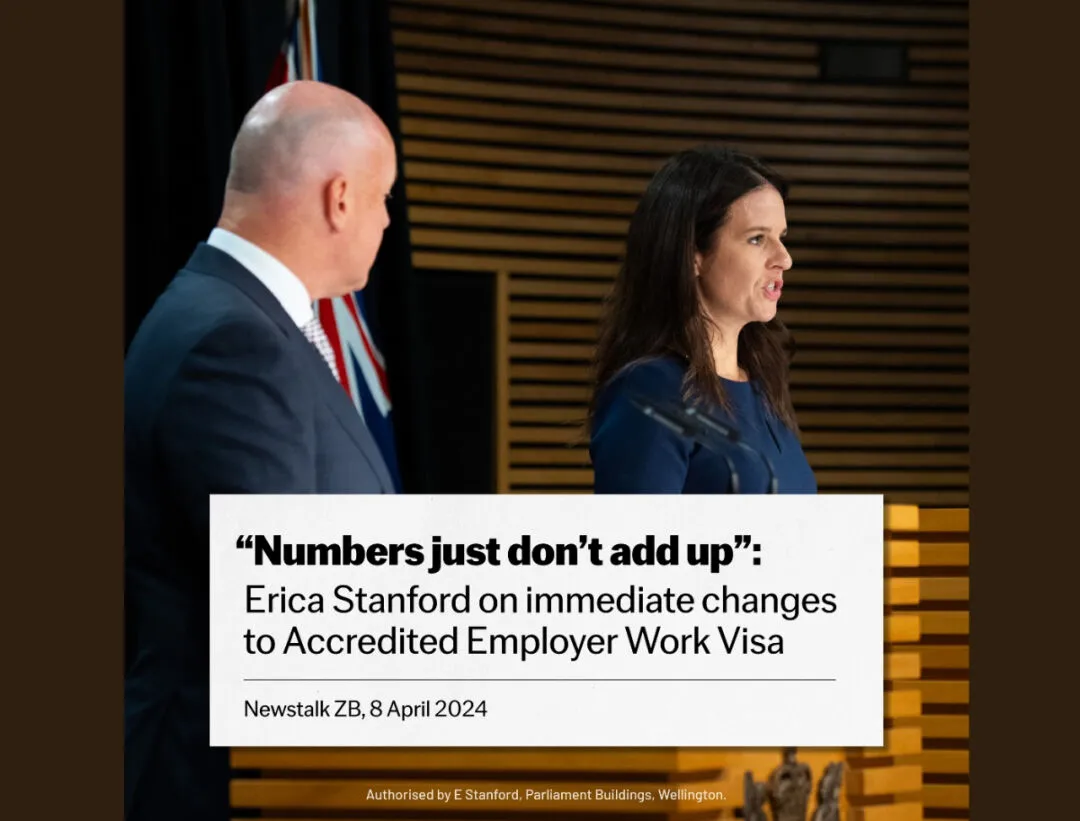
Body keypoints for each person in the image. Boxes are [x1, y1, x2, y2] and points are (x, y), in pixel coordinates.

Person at [124, 80, 398, 821]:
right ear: (341, 198)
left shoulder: (233, 315)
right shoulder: (234, 340)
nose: (385, 220)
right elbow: (285, 595)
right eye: (382, 198)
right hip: (226, 780)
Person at [588, 145, 816, 494]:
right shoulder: (652, 390)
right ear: (693, 254)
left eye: (781, 238)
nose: (784, 258)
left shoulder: (763, 389)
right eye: (757, 239)